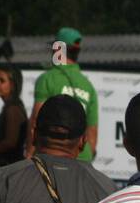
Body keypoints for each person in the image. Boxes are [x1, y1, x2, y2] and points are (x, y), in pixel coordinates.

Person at [29, 28, 97, 162]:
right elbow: (93, 136)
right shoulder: (88, 86)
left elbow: (35, 122)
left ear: (58, 50)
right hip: (83, 159)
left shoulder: (47, 79)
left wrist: (29, 153)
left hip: (51, 157)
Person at [0, 65, 27, 167]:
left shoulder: (13, 109)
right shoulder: (11, 106)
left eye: (1, 81)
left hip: (8, 165)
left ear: (12, 85)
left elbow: (10, 142)